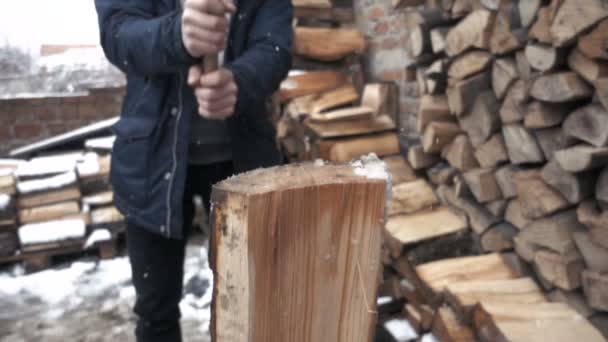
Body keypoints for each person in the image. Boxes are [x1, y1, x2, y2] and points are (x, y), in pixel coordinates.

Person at [94, 0, 293, 340]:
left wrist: (239, 82)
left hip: (244, 161)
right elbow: (118, 35)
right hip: (151, 163)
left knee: (257, 306)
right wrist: (177, 36)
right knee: (156, 310)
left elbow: (275, 47)